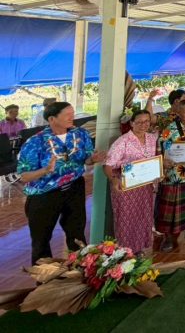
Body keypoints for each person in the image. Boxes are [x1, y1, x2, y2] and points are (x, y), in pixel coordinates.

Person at [17, 102, 105, 264]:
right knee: (41, 239)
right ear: (52, 119)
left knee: (77, 232)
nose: (72, 117)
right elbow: (24, 176)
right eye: (67, 115)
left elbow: (85, 159)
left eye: (73, 113)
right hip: (44, 194)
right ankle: (44, 277)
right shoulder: (35, 142)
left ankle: (81, 270)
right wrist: (45, 170)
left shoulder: (80, 134)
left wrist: (92, 159)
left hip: (74, 188)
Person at [103, 110, 158, 254]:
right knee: (126, 219)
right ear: (132, 123)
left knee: (143, 217)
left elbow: (154, 160)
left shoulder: (152, 138)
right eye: (139, 122)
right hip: (125, 186)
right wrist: (113, 180)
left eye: (147, 121)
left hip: (144, 185)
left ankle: (139, 249)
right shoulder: (123, 141)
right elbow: (107, 165)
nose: (143, 125)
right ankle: (125, 253)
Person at [156, 99, 185, 252]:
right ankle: (167, 237)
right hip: (172, 173)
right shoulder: (169, 129)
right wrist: (163, 161)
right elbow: (159, 147)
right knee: (168, 208)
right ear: (179, 113)